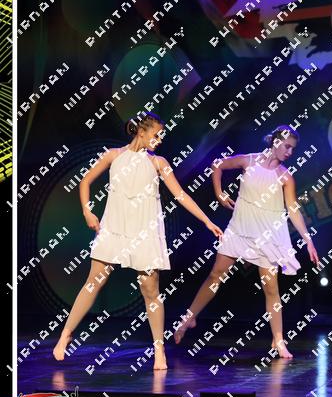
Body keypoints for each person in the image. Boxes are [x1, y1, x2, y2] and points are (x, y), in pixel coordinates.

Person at [53, 111, 223, 370]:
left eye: (161, 135)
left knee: (150, 290)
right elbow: (85, 181)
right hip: (114, 226)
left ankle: (159, 351)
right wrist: (88, 211)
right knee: (94, 281)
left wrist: (206, 221)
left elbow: (180, 195)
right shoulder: (113, 155)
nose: (160, 139)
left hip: (145, 230)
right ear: (141, 132)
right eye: (157, 134)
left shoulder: (158, 162)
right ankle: (65, 335)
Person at [174, 125, 320, 359]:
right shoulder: (248, 160)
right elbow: (218, 165)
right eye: (287, 146)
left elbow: (293, 209)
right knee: (215, 275)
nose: (290, 152)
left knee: (271, 288)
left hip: (268, 233)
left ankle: (278, 340)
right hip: (241, 228)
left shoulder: (285, 176)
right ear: (275, 142)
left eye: (293, 149)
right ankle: (189, 318)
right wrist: (219, 193)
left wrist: (308, 240)